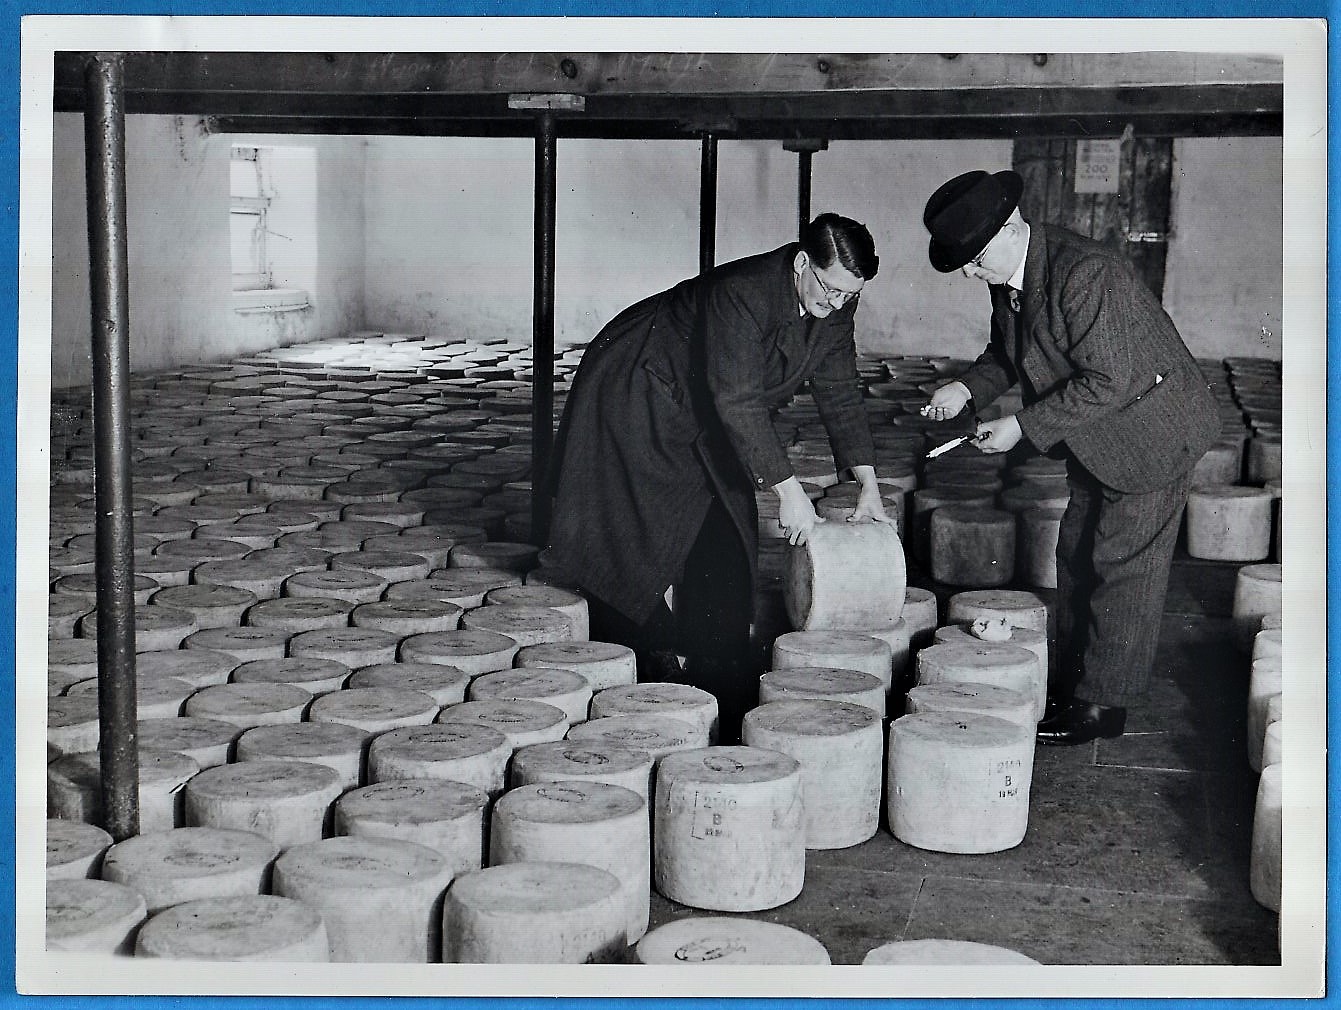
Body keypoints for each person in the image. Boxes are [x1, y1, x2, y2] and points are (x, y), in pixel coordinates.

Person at [544, 214, 891, 740]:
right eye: (831, 291)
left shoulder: (835, 297)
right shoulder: (744, 292)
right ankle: (652, 672)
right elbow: (738, 401)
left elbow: (839, 388)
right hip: (639, 391)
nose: (837, 305)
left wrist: (867, 481)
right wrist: (790, 490)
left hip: (703, 410)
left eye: (849, 296)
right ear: (802, 263)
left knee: (727, 532)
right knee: (625, 541)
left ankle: (720, 682)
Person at [920, 170, 1220, 745]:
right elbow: (1010, 353)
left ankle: (1104, 706)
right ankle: (1081, 683)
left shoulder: (1086, 273)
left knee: (1122, 568)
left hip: (1151, 433)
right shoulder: (1006, 270)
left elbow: (1106, 381)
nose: (967, 272)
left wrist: (1021, 427)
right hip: (1100, 437)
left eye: (974, 260)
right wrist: (967, 390)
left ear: (1011, 229)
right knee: (1076, 557)